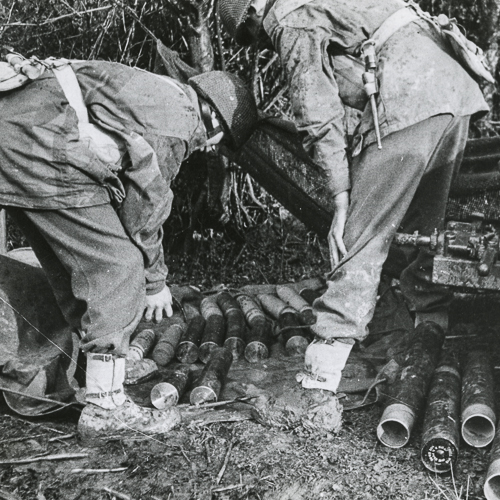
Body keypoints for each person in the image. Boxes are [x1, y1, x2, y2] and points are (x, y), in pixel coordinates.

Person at [219, 0, 490, 392]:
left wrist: (342, 198)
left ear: (253, 11)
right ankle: (427, 337)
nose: (263, 42)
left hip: (408, 97)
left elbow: (317, 109)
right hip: (452, 90)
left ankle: (318, 384)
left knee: (359, 237)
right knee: (421, 229)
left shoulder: (287, 14)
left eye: (254, 33)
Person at [0, 53, 258, 430]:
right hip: (43, 147)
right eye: (221, 141)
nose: (212, 148)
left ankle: (93, 367)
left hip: (17, 135)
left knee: (80, 262)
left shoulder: (159, 89)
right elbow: (146, 205)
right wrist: (154, 280)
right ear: (215, 117)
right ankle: (106, 408)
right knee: (120, 266)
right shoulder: (179, 121)